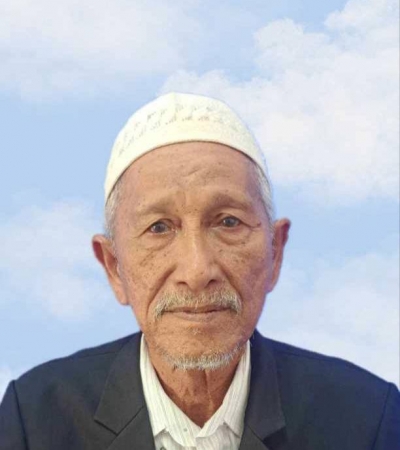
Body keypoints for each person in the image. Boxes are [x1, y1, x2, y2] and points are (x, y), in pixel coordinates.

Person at [0, 92, 399, 450]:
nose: (196, 271)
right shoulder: (36, 420)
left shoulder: (366, 418)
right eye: (159, 228)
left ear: (274, 253)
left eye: (228, 222)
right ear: (114, 266)